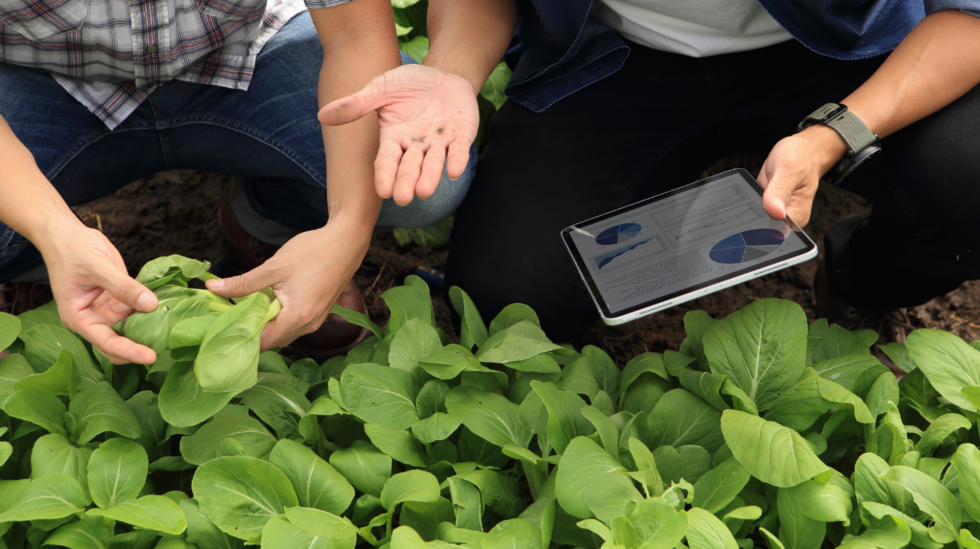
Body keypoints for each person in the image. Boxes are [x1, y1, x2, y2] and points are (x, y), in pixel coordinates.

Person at [332, 0, 980, 345]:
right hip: (617, 55)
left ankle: (857, 275)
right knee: (512, 297)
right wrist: (451, 71)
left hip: (828, 52)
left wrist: (832, 135)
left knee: (967, 182)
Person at [0, 0, 514, 363]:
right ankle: (42, 261)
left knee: (419, 174)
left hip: (244, 52)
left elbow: (356, 35)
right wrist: (51, 231)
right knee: (24, 224)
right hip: (40, 78)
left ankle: (271, 220)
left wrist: (346, 230)